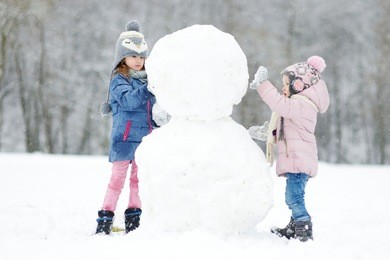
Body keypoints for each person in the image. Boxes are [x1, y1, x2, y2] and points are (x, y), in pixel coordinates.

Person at [248, 56, 330, 242]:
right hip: (297, 160)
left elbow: (281, 105)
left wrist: (264, 85)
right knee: (294, 195)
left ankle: (304, 225)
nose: (283, 88)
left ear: (299, 85)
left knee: (293, 198)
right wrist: (267, 133)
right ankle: (294, 226)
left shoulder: (302, 105)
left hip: (299, 161)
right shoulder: (299, 105)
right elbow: (286, 129)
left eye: (286, 84)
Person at [96, 20, 155, 235]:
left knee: (138, 182)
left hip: (145, 140)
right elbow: (130, 101)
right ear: (123, 57)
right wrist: (149, 87)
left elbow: (153, 109)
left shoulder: (149, 80)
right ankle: (105, 219)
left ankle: (133, 221)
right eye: (133, 56)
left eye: (141, 57)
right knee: (117, 181)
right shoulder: (119, 80)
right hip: (124, 139)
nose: (138, 61)